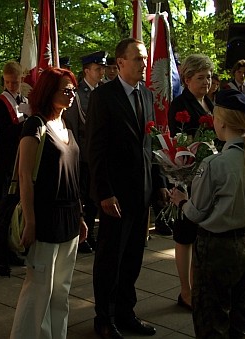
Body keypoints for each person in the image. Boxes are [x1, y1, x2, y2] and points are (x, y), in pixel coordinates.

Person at [86, 37, 167, 339]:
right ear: (120, 62)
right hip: (115, 196)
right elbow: (95, 149)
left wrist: (158, 184)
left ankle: (125, 312)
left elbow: (150, 144)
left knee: (133, 257)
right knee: (110, 258)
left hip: (141, 192)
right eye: (137, 59)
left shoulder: (146, 95)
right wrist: (104, 192)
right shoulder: (103, 97)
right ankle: (104, 318)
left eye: (144, 58)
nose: (143, 64)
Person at [170, 89, 245, 338]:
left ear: (221, 122)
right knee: (239, 321)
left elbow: (197, 212)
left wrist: (181, 201)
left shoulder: (214, 164)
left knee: (210, 324)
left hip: (217, 251)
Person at [10, 67, 87, 339]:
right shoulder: (35, 125)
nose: (71, 94)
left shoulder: (65, 124)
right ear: (48, 92)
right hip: (44, 217)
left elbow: (72, 175)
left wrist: (79, 214)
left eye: (73, 90)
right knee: (38, 289)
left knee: (61, 290)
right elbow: (24, 176)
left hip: (69, 218)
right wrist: (30, 221)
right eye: (65, 89)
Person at [167, 54, 214, 311]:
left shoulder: (209, 102)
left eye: (208, 77)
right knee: (185, 236)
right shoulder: (180, 104)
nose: (206, 82)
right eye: (200, 77)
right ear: (186, 79)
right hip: (188, 177)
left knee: (201, 236)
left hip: (209, 177)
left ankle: (199, 287)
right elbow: (179, 142)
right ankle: (186, 291)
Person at [64, 51, 107, 253]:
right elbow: (73, 125)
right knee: (85, 197)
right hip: (84, 153)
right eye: (98, 69)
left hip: (101, 153)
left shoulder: (105, 91)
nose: (101, 72)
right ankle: (84, 237)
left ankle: (94, 234)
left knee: (98, 195)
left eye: (103, 68)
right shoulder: (79, 95)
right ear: (87, 71)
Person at [0, 61, 28, 266]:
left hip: (17, 158)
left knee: (13, 206)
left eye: (16, 82)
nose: (12, 86)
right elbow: (4, 132)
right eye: (8, 82)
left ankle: (11, 246)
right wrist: (26, 123)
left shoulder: (24, 100)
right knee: (0, 205)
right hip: (3, 160)